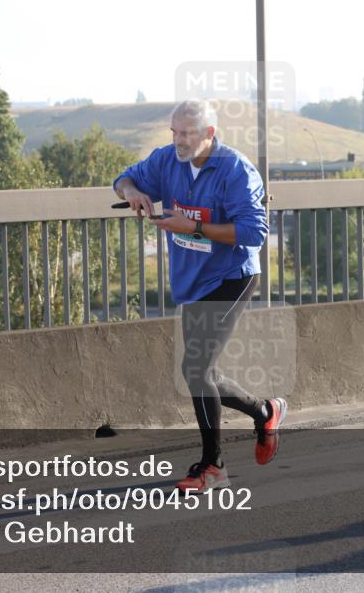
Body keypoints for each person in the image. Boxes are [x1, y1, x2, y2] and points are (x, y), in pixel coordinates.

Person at [112, 99, 287, 492]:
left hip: (232, 275)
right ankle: (265, 411)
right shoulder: (166, 160)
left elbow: (253, 234)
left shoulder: (236, 170)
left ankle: (213, 467)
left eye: (187, 133)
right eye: (174, 131)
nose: (178, 140)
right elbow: (122, 179)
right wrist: (134, 193)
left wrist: (190, 227)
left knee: (195, 369)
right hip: (192, 280)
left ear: (209, 134)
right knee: (201, 372)